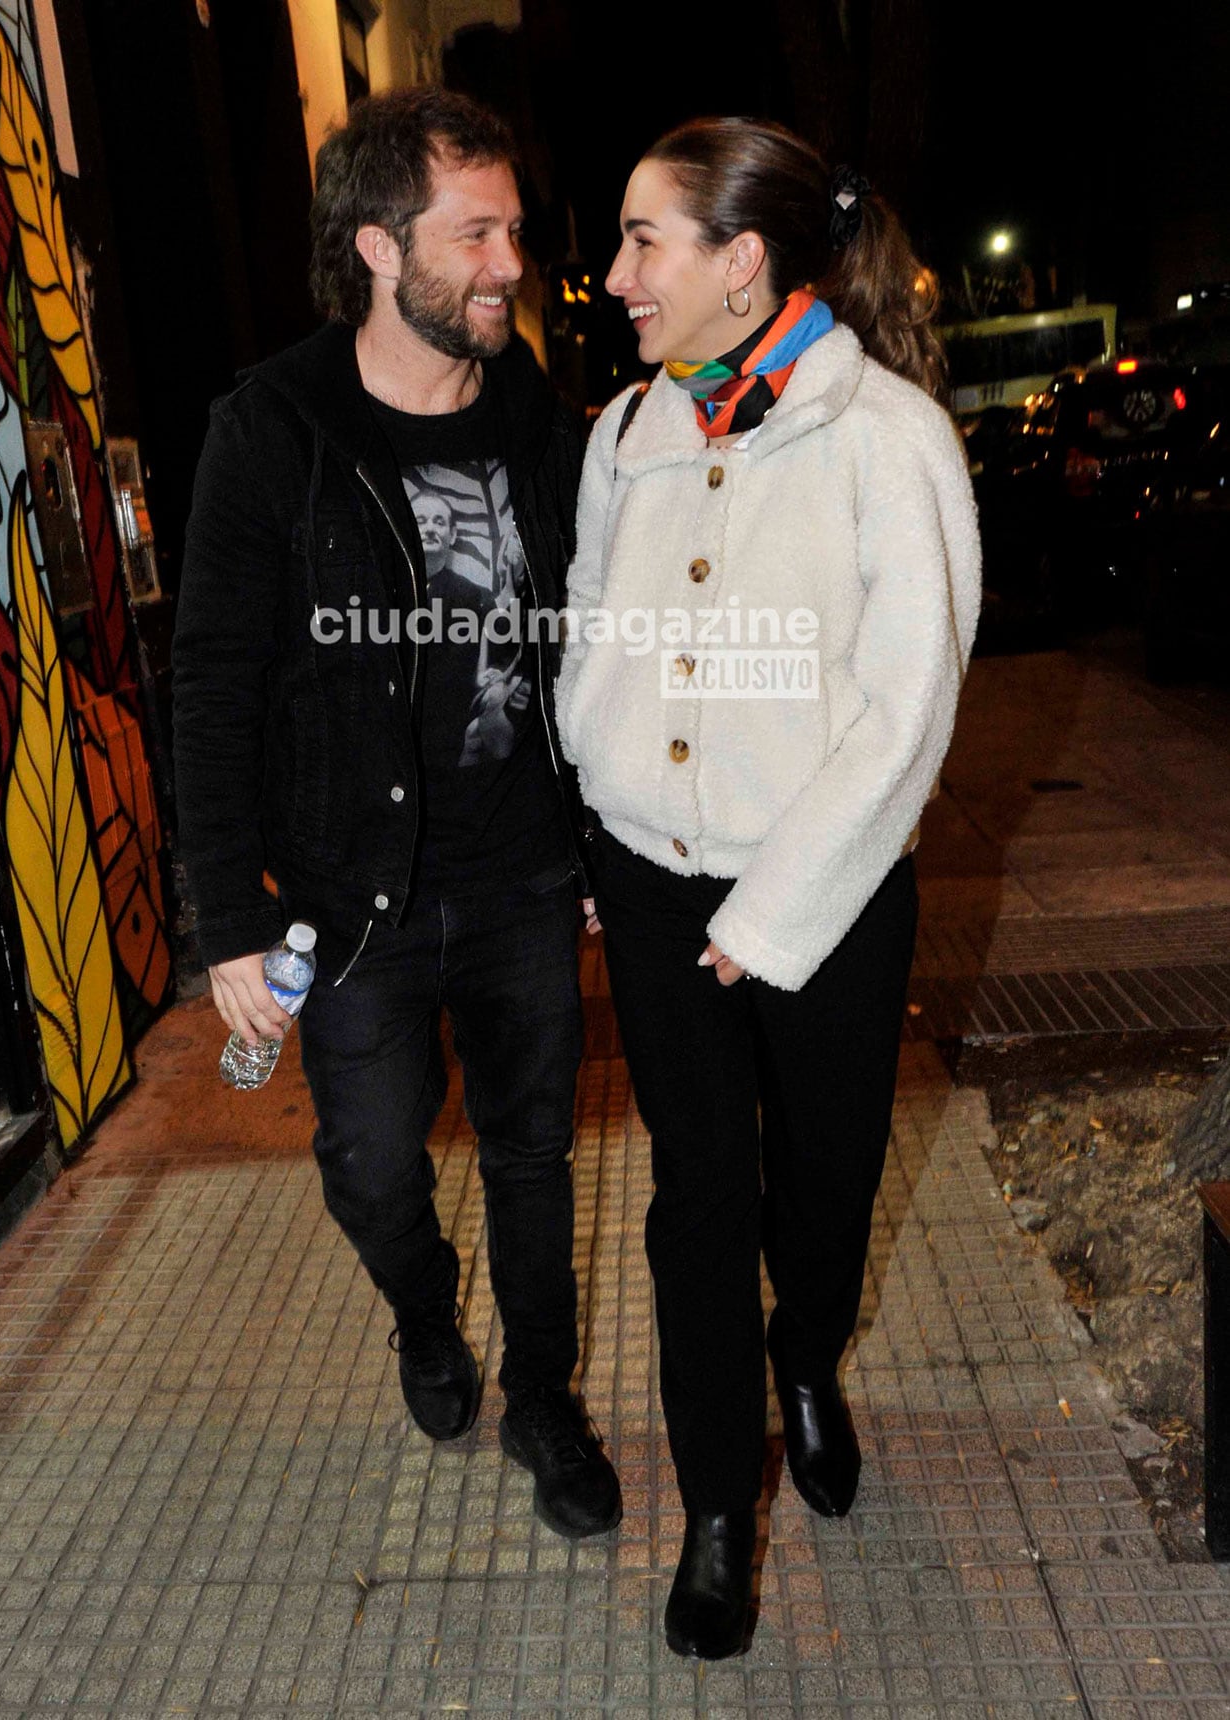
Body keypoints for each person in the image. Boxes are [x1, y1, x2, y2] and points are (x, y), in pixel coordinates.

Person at [555, 118, 979, 1655]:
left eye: (642, 243)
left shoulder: (890, 441)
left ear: (742, 265)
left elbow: (907, 708)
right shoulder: (627, 432)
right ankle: (720, 1509)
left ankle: (810, 1352)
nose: (611, 278)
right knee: (693, 1202)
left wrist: (768, 916)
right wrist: (603, 804)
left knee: (826, 1176)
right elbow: (593, 622)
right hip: (656, 890)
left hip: (833, 893)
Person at [173, 87, 621, 1542]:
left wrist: (612, 839)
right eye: (473, 232)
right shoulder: (274, 428)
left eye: (513, 227)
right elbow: (212, 681)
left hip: (525, 878)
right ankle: (428, 1316)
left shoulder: (542, 426)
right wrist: (229, 920)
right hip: (343, 894)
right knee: (370, 1164)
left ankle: (544, 1398)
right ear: (378, 248)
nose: (511, 260)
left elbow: (596, 644)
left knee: (534, 1153)